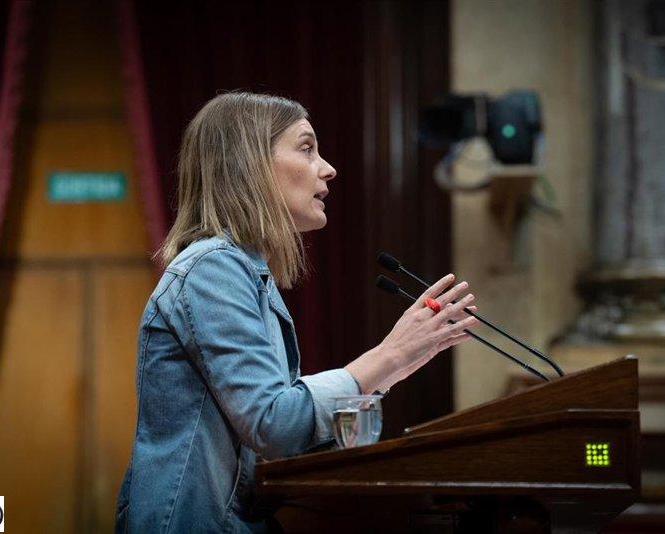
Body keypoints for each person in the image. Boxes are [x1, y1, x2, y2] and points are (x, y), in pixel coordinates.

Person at [115, 91, 477, 533]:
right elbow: (274, 423)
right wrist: (389, 356)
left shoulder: (247, 272)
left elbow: (282, 440)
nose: (328, 168)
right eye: (306, 148)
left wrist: (391, 369)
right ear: (248, 164)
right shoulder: (214, 268)